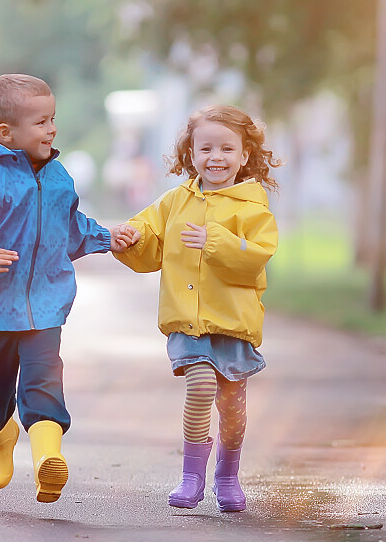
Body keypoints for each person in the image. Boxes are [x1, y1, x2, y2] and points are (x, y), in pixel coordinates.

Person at [0, 74, 139, 503]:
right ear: (5, 133)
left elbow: (69, 227)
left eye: (52, 120)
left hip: (46, 306)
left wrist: (107, 237)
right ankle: (1, 436)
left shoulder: (58, 178)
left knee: (44, 381)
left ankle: (48, 460)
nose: (52, 130)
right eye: (40, 123)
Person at [113, 105, 279, 513]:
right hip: (188, 322)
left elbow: (257, 256)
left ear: (244, 156)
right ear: (191, 154)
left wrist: (215, 241)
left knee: (232, 409)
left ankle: (227, 475)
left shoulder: (252, 206)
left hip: (233, 326)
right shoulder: (174, 201)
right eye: (205, 148)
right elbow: (151, 242)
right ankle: (191, 476)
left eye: (226, 148)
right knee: (201, 384)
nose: (216, 157)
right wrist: (130, 239)